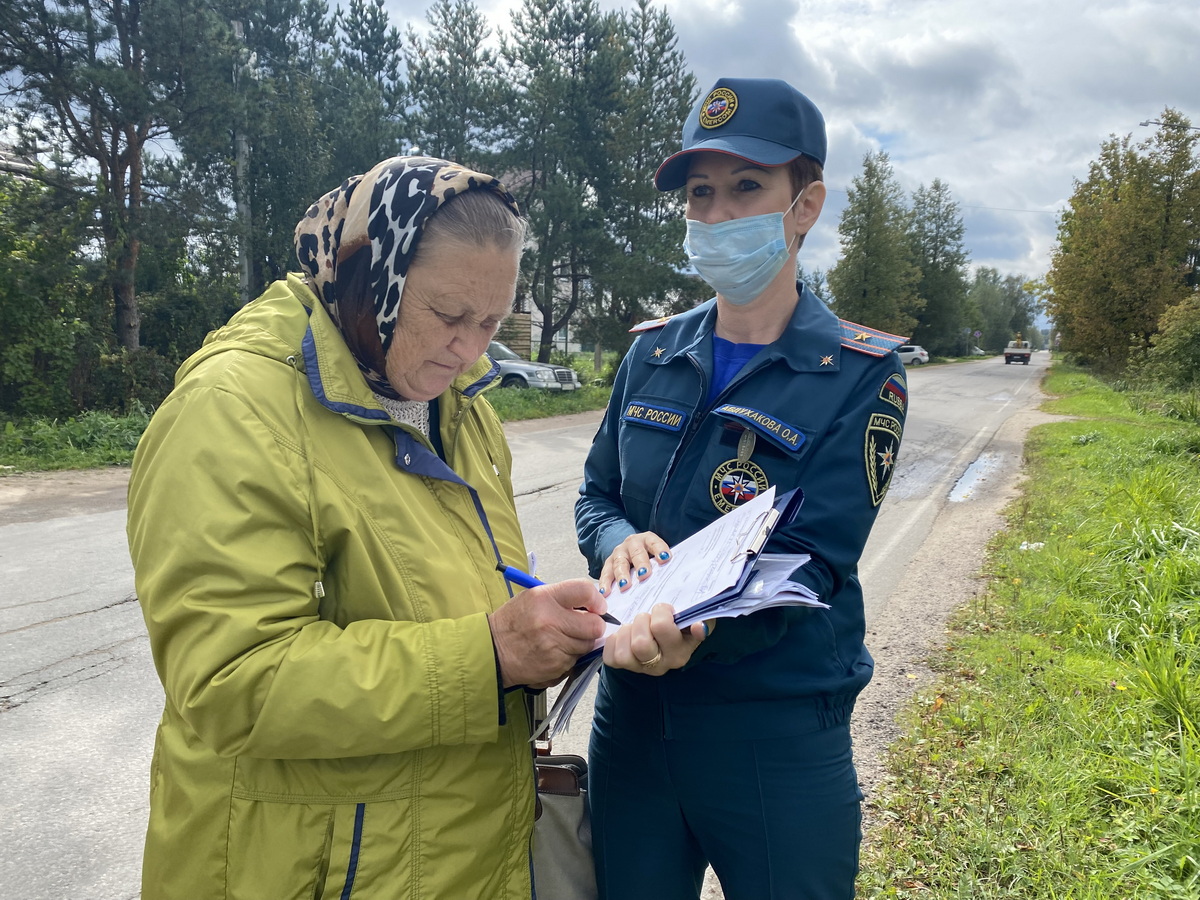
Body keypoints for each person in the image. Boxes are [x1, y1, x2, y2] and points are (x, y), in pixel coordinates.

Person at [127, 156, 609, 900]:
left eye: (491, 322)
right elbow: (233, 679)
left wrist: (555, 634)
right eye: (449, 316)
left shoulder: (462, 406)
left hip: (445, 854)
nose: (471, 348)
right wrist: (492, 654)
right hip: (310, 869)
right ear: (369, 277)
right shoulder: (234, 409)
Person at [576, 78, 909, 900]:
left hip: (774, 730)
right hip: (633, 725)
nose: (718, 215)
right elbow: (595, 496)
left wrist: (689, 622)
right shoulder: (651, 354)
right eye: (700, 195)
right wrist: (617, 542)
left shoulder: (859, 374)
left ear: (806, 204)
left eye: (747, 188)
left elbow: (814, 563)